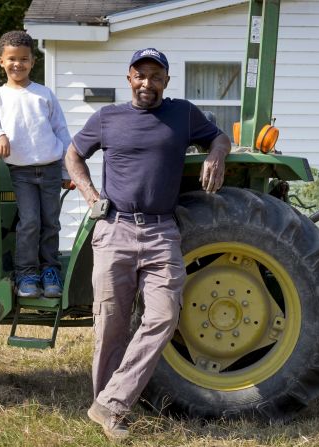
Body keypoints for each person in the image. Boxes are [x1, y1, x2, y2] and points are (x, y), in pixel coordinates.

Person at [65, 48, 231, 440]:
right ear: (129, 78)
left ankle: (110, 402)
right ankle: (111, 412)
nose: (147, 83)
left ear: (166, 82)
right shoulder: (108, 118)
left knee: (162, 316)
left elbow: (219, 136)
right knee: (110, 323)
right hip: (115, 229)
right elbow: (73, 154)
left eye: (156, 76)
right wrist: (89, 194)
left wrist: (216, 155)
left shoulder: (182, 114)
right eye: (141, 75)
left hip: (161, 232)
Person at [0, 31, 71, 298]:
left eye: (24, 59)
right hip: (22, 172)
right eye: (12, 59)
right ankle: (26, 274)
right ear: (1, 61)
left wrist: (66, 170)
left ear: (32, 62)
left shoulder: (44, 95)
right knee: (29, 222)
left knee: (51, 222)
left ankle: (50, 270)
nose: (18, 64)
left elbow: (61, 133)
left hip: (50, 169)